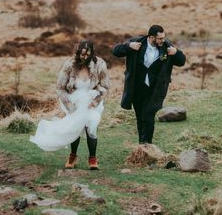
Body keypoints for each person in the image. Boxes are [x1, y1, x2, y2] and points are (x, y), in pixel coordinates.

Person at [29, 40, 109, 170]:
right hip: (73, 101)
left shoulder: (100, 65)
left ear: (92, 54)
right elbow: (60, 87)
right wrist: (70, 105)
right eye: (82, 54)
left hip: (92, 102)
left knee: (92, 125)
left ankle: (93, 159)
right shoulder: (69, 65)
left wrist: (96, 101)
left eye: (88, 55)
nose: (84, 57)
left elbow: (106, 87)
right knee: (75, 127)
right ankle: (73, 156)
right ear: (78, 53)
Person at [113, 24, 186, 144]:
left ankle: (147, 146)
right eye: (160, 38)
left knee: (148, 116)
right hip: (136, 88)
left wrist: (176, 52)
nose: (163, 40)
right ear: (151, 37)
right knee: (140, 118)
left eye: (163, 37)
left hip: (154, 89)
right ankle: (142, 146)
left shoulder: (166, 46)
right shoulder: (137, 42)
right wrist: (129, 46)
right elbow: (116, 51)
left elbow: (182, 61)